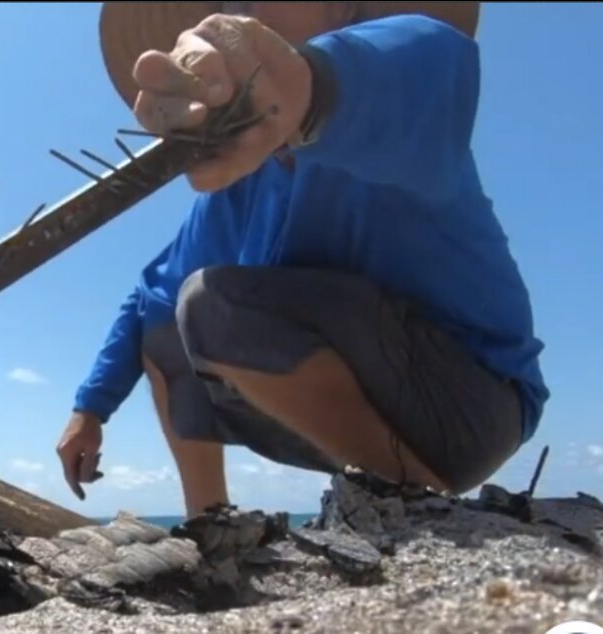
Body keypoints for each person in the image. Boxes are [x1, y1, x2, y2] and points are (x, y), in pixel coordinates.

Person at [56, 1, 549, 518]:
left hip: (473, 399)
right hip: (359, 425)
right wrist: (89, 409)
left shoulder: (405, 69)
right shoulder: (236, 196)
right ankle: (211, 523)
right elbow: (149, 297)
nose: (232, 13)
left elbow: (419, 65)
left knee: (212, 304)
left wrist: (301, 89)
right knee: (164, 325)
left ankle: (406, 503)